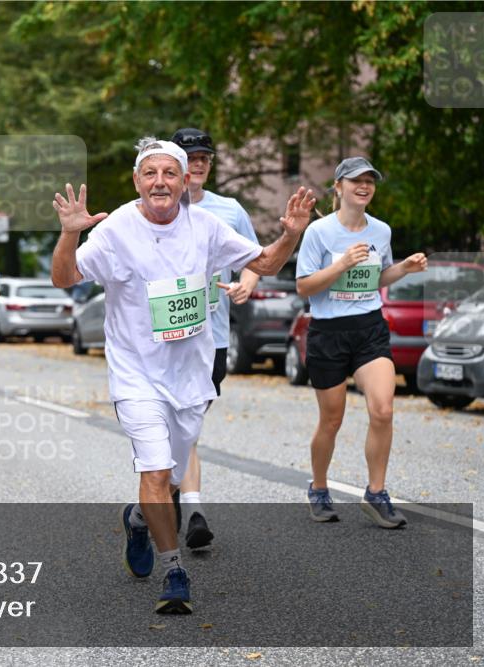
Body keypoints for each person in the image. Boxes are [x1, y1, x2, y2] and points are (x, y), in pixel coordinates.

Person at [50, 137, 315, 615]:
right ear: (137, 181)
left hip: (191, 376)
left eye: (170, 173)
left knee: (169, 476)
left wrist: (291, 233)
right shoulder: (116, 231)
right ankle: (174, 570)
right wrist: (70, 233)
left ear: (185, 180)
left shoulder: (207, 227)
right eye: (150, 173)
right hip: (136, 375)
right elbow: (65, 278)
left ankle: (136, 520)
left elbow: (266, 263)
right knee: (153, 471)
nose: (160, 181)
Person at [296, 157, 427, 528]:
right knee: (332, 419)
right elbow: (303, 286)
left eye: (370, 181)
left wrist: (404, 269)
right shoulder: (319, 233)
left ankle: (376, 492)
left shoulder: (381, 231)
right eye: (355, 180)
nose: (364, 186)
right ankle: (319, 488)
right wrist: (340, 266)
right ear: (338, 187)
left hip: (369, 328)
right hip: (328, 332)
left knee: (383, 410)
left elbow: (378, 278)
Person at [168, 128, 261, 551]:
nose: (200, 162)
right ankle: (187, 502)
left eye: (205, 155)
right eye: (192, 155)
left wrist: (247, 284)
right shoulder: (154, 207)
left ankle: (179, 499)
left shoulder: (229, 210)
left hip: (212, 338)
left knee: (187, 425)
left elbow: (255, 260)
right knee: (176, 425)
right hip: (162, 338)